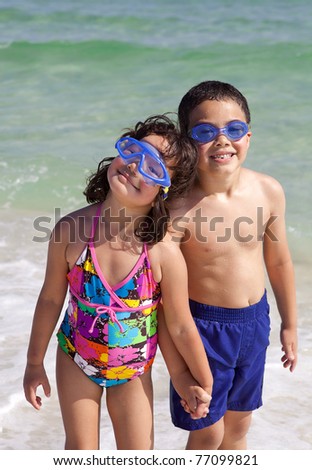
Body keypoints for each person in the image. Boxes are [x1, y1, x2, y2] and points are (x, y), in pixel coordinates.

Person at [23, 114, 213, 450]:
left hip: (133, 370)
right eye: (134, 152)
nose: (136, 167)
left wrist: (200, 381)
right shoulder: (71, 231)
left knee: (138, 454)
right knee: (81, 452)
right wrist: (34, 363)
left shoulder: (162, 254)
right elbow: (51, 299)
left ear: (164, 193)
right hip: (75, 356)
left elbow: (179, 325)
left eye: (153, 169)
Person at [164, 81, 298, 450]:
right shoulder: (178, 207)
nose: (222, 140)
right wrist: (177, 368)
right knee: (207, 431)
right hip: (200, 330)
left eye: (234, 129)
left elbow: (280, 260)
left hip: (255, 324)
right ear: (187, 142)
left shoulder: (268, 191)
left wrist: (290, 323)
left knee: (238, 427)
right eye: (206, 131)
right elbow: (163, 298)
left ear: (248, 137)